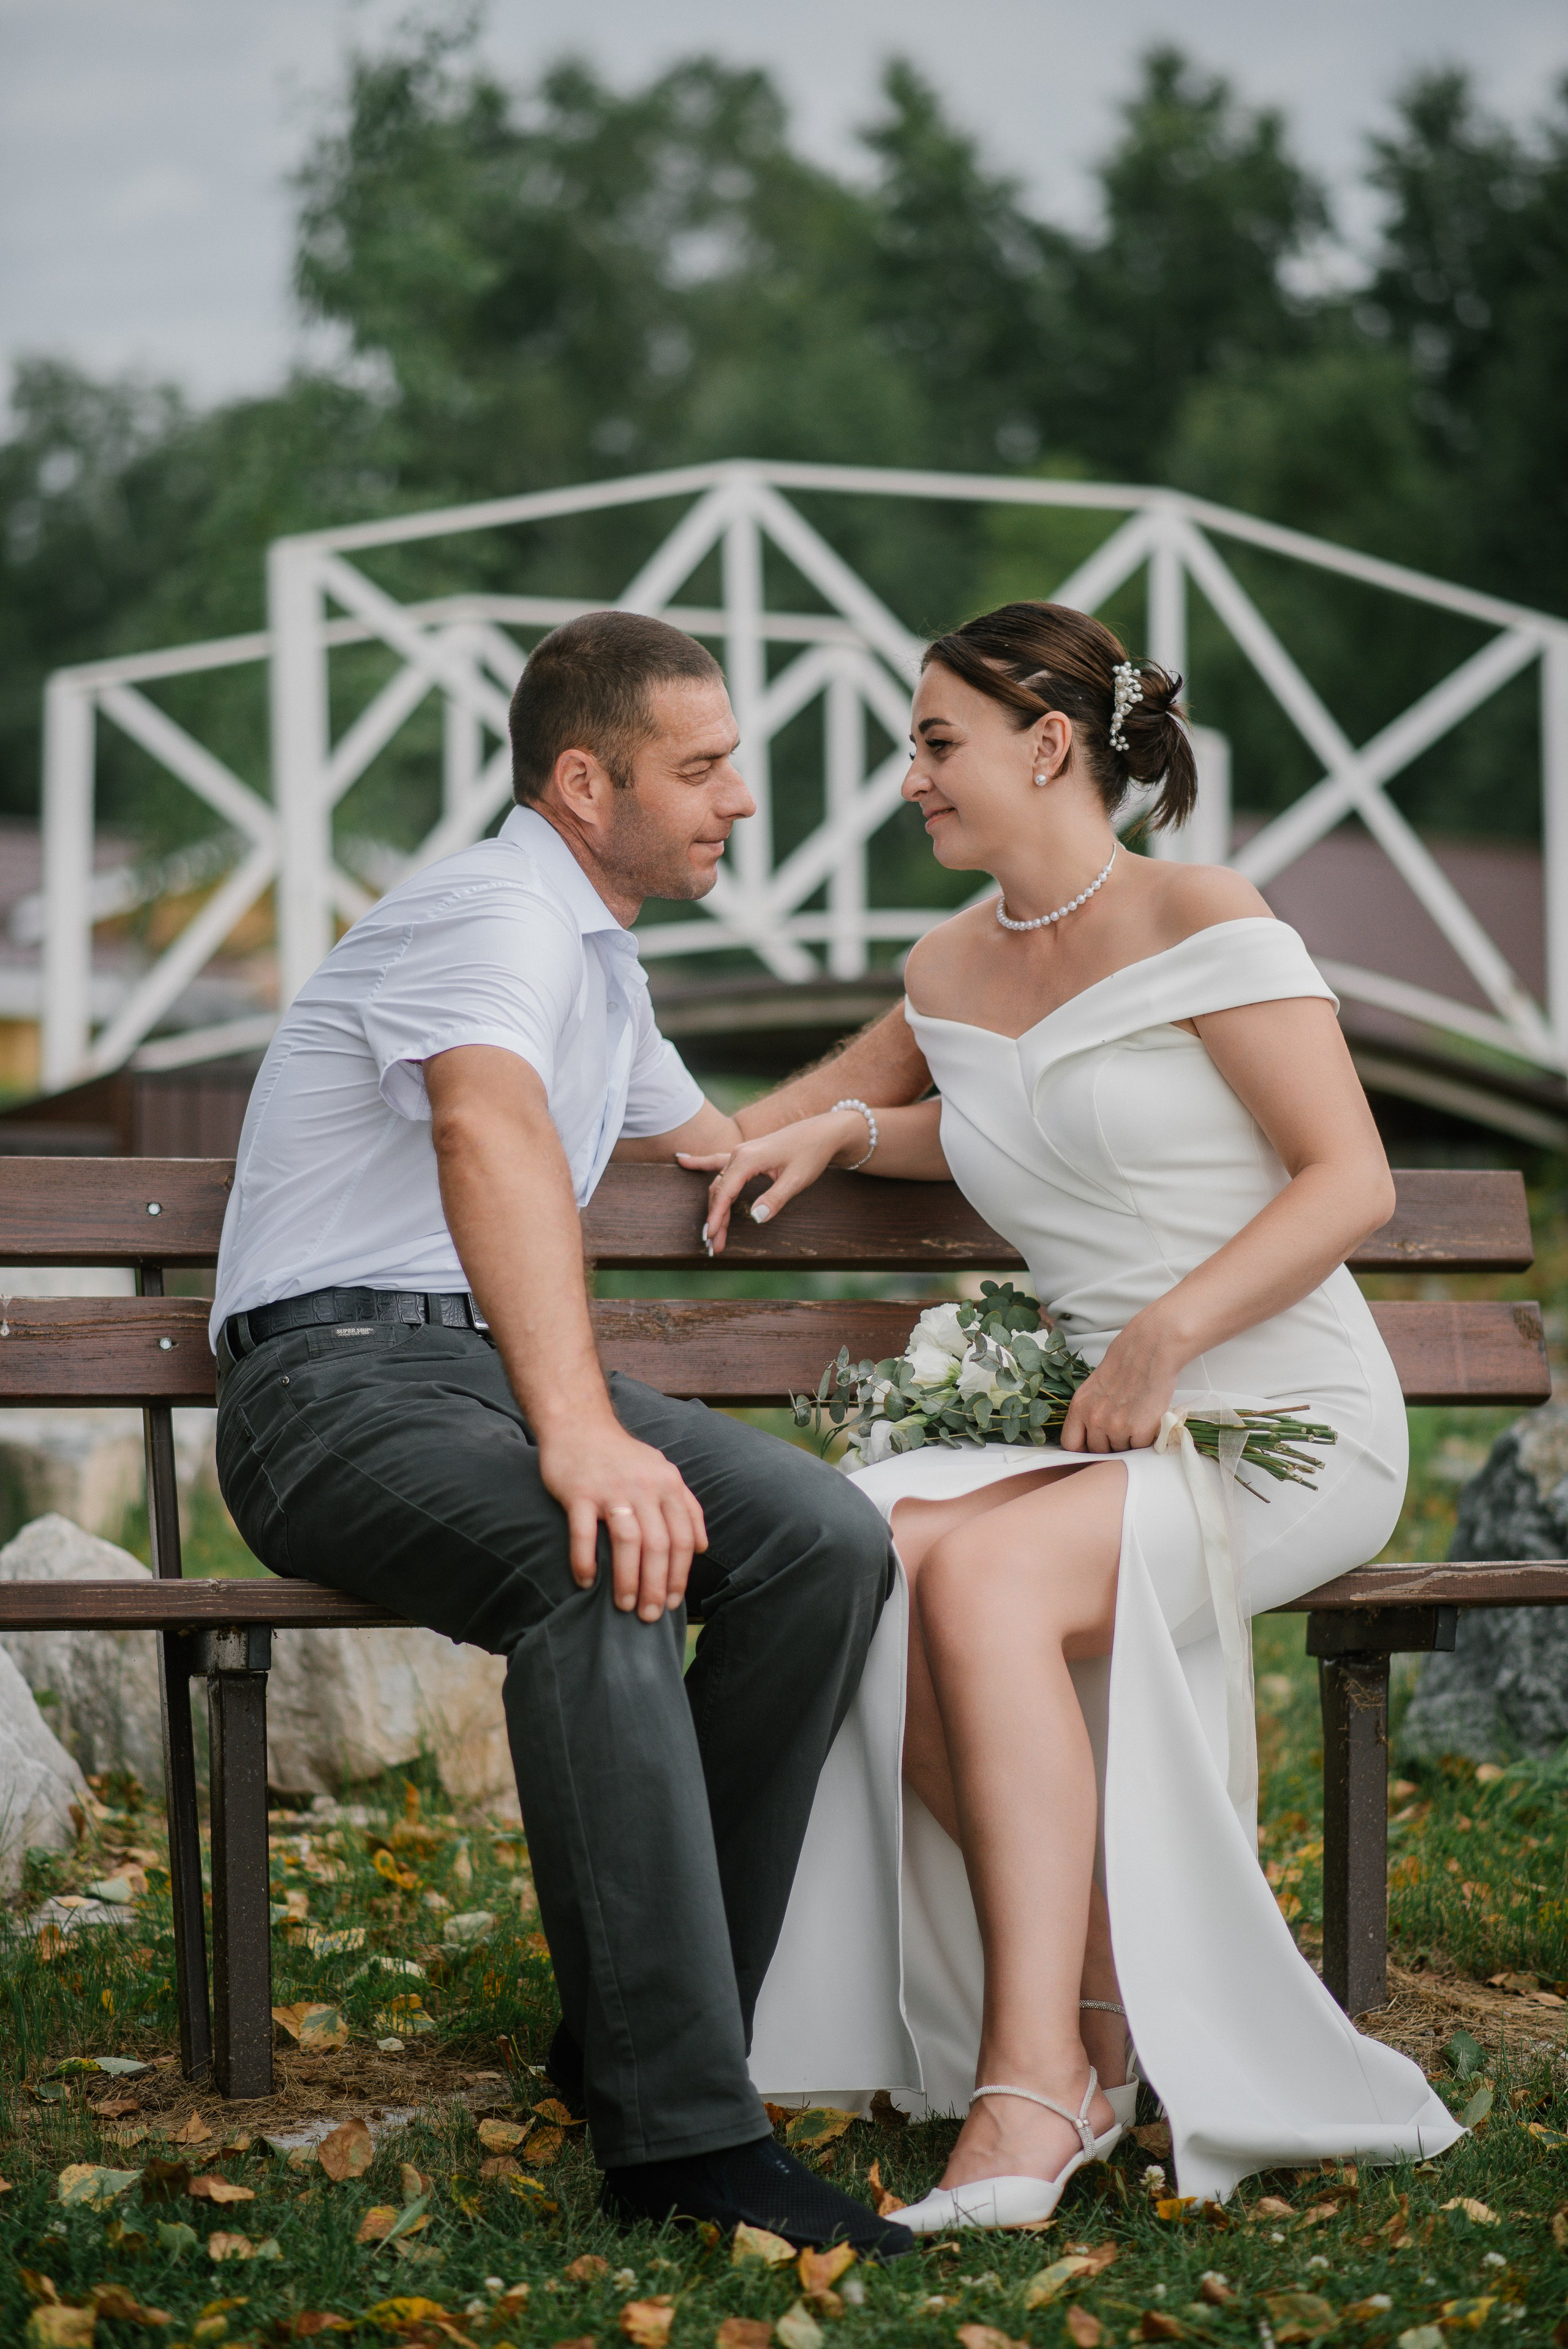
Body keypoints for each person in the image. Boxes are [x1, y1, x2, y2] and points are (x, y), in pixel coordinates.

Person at [692, 599, 1465, 2228]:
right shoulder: (950, 964)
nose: (911, 778)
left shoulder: (1204, 916)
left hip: (1277, 1417)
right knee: (867, 1552)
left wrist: (1167, 1336)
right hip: (1106, 1425)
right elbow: (957, 1110)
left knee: (976, 1578)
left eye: (935, 742)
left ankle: (1030, 2079)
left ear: (1051, 744)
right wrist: (838, 1123)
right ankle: (1115, 2013)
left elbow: (1355, 1181)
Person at [209, 609, 917, 2256]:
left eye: (733, 760)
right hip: (330, 1394)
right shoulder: (487, 913)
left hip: (462, 1378)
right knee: (604, 1555)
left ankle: (635, 2036)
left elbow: (723, 1143)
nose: (738, 797)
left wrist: (936, 1049)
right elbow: (486, 1123)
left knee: (824, 1541)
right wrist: (585, 1428)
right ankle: (685, 2138)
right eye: (704, 766)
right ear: (583, 781)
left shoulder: (597, 957)